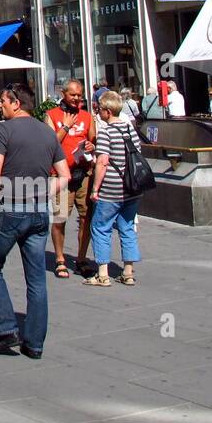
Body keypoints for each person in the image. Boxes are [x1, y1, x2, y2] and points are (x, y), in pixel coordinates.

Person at [0, 83, 68, 358]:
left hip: (10, 206)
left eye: (4, 101)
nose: (0, 105)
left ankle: (6, 330)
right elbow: (64, 175)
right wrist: (42, 192)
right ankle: (35, 344)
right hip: (40, 211)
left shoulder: (3, 130)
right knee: (37, 278)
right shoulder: (48, 132)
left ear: (16, 103)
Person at [85, 90, 143, 287]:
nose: (98, 112)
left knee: (101, 228)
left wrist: (95, 189)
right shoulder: (131, 130)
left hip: (110, 189)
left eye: (99, 109)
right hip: (131, 188)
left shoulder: (106, 132)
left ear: (108, 112)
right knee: (127, 228)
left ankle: (103, 273)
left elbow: (102, 163)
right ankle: (128, 272)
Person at [45, 80, 97, 279]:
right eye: (73, 95)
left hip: (83, 173)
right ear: (63, 93)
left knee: (86, 218)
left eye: (80, 95)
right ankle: (59, 259)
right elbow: (50, 143)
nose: (77, 98)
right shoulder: (52, 115)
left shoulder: (86, 116)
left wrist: (92, 146)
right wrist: (65, 127)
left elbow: (93, 140)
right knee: (60, 218)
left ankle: (82, 258)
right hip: (61, 175)